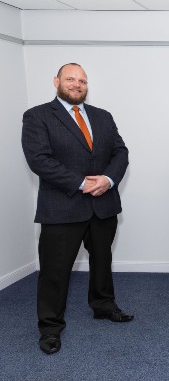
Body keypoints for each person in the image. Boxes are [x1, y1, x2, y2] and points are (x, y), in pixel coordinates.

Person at [21, 63, 133, 355]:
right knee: (55, 271)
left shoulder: (103, 116)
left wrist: (108, 180)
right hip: (62, 207)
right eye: (71, 79)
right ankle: (50, 327)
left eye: (82, 80)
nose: (77, 84)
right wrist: (82, 183)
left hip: (103, 204)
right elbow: (39, 160)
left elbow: (120, 152)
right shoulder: (38, 116)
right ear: (57, 81)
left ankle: (103, 305)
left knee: (101, 261)